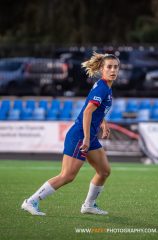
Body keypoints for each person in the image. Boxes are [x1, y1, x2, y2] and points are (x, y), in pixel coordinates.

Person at [21, 52, 120, 216]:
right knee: (67, 176)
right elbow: (88, 112)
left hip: (89, 135)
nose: (113, 70)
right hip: (80, 135)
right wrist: (87, 139)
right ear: (102, 69)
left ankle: (88, 205)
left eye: (115, 67)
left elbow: (96, 109)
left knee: (104, 171)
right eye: (109, 67)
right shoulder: (102, 88)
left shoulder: (105, 87)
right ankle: (31, 201)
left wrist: (103, 123)